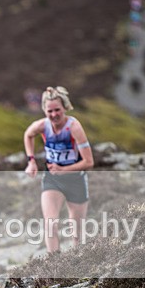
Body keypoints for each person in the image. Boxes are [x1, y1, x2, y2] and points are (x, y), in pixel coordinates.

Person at [24, 86, 94, 253]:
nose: (54, 114)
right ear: (44, 110)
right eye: (50, 111)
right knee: (50, 223)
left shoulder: (74, 127)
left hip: (76, 180)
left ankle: (79, 263)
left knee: (76, 232)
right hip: (52, 179)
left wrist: (64, 170)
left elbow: (89, 162)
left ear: (65, 108)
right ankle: (54, 267)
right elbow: (28, 134)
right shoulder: (42, 125)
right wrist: (31, 161)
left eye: (57, 110)